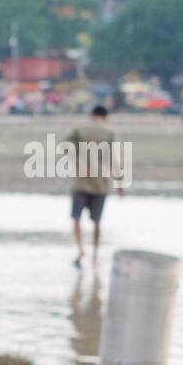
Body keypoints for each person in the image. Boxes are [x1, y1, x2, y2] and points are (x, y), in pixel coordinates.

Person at [64, 104, 124, 266]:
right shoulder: (109, 133)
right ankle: (95, 254)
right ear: (105, 117)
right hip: (101, 184)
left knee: (76, 218)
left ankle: (80, 249)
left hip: (81, 182)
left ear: (92, 115)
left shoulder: (80, 130)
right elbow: (114, 159)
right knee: (97, 221)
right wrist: (120, 183)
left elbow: (64, 147)